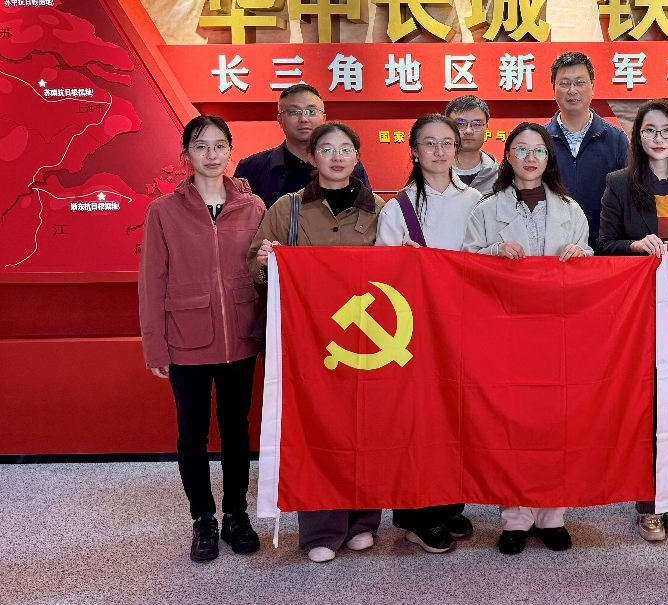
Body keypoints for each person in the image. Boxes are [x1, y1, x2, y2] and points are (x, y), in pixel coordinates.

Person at [248, 122, 386, 563]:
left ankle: (363, 522)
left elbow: (395, 271)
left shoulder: (380, 209)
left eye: (346, 149)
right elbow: (255, 266)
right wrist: (265, 260)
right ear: (312, 157)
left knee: (366, 428)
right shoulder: (287, 208)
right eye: (327, 149)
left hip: (365, 341)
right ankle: (321, 530)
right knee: (316, 430)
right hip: (307, 339)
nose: (337, 156)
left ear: (357, 156)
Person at [461, 122, 593, 555]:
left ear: (549, 158)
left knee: (557, 424)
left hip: (558, 332)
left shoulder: (571, 209)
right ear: (508, 156)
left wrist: (581, 255)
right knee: (511, 425)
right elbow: (464, 265)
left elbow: (590, 262)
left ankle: (552, 515)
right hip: (507, 332)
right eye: (521, 149)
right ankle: (515, 517)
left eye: (539, 150)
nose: (530, 158)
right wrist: (493, 253)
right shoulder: (485, 208)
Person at [138, 115, 266, 563]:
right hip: (186, 340)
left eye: (219, 146)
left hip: (241, 339)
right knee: (192, 435)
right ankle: (203, 520)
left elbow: (263, 273)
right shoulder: (163, 211)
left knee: (236, 431)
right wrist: (154, 346)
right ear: (185, 155)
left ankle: (236, 515)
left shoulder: (252, 206)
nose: (211, 155)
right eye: (201, 146)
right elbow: (151, 282)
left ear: (230, 150)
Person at [596, 100, 668, 543]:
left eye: (666, 130)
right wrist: (633, 245)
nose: (658, 138)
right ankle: (648, 502)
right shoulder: (619, 184)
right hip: (640, 312)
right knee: (648, 405)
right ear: (638, 137)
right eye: (649, 130)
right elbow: (602, 243)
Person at [376, 114, 482, 555]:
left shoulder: (476, 201)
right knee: (418, 418)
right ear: (414, 151)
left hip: (462, 325)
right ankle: (416, 515)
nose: (439, 151)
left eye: (447, 143)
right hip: (414, 330)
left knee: (457, 416)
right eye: (429, 143)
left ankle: (450, 502)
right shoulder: (397, 207)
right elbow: (382, 278)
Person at [234, 83, 371, 210]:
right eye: (294, 112)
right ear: (280, 120)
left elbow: (367, 212)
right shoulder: (251, 168)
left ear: (323, 119)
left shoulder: (346, 164)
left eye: (311, 111)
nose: (304, 119)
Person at [543, 51, 628, 247]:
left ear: (592, 87)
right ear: (553, 88)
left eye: (580, 82)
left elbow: (627, 197)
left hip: (603, 246)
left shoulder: (616, 139)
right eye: (564, 83)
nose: (572, 90)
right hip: (551, 247)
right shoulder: (540, 139)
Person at [445, 94, 499, 194]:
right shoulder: (432, 173)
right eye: (460, 124)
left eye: (476, 124)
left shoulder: (500, 177)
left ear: (486, 128)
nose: (468, 131)